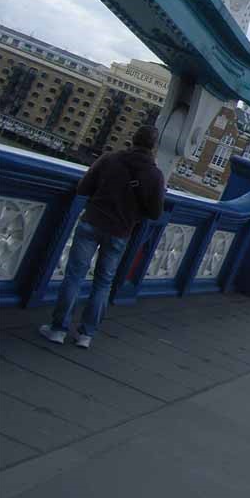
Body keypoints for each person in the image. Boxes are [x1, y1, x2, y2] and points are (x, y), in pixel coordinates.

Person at [39, 125, 166, 349]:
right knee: (103, 284)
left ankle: (58, 330)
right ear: (153, 147)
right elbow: (155, 213)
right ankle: (86, 335)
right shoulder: (155, 175)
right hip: (120, 232)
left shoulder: (109, 159)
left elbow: (83, 188)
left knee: (74, 277)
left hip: (93, 222)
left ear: (133, 139)